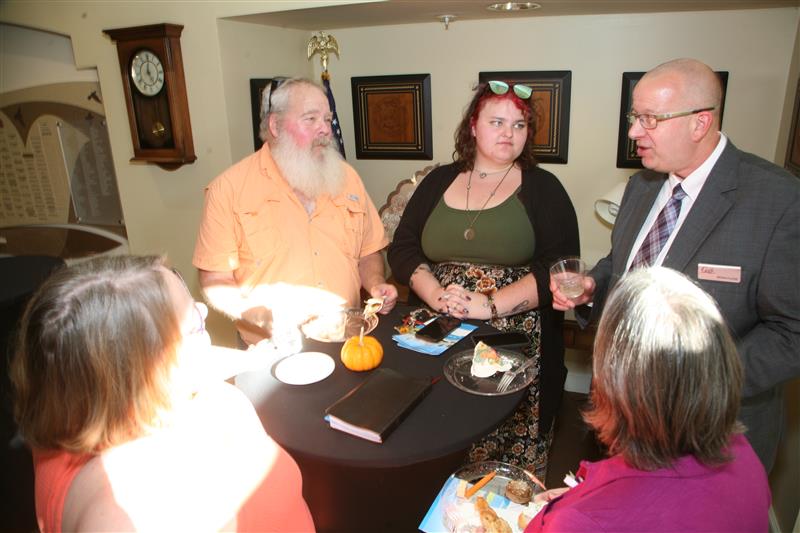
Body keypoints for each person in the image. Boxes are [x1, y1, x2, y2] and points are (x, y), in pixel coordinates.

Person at [552, 58, 800, 472]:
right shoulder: (641, 186)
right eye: (635, 117)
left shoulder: (777, 200)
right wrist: (594, 286)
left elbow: (791, 331)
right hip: (620, 420)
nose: (634, 132)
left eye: (650, 119)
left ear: (699, 123)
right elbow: (621, 263)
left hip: (711, 438)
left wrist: (694, 386)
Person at [10, 255, 315, 532]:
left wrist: (252, 359)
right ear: (144, 371)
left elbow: (193, 363)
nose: (203, 308)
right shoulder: (133, 508)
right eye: (195, 326)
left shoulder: (70, 395)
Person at [388, 80, 580, 478]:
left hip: (515, 340)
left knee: (503, 459)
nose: (509, 133)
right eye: (497, 122)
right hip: (438, 330)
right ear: (473, 126)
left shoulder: (544, 188)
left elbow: (559, 268)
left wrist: (489, 304)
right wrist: (437, 294)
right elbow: (403, 248)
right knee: (436, 436)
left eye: (519, 124)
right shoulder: (438, 180)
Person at [528, 267, 770, 532]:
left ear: (613, 379)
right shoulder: (745, 457)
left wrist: (567, 513)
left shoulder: (578, 523)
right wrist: (579, 496)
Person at [193, 77, 397, 345]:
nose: (325, 129)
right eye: (311, 119)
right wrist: (258, 315)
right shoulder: (229, 190)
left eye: (327, 119)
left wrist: (375, 282)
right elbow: (215, 278)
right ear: (275, 126)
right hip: (274, 347)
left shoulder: (347, 178)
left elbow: (368, 251)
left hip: (347, 338)